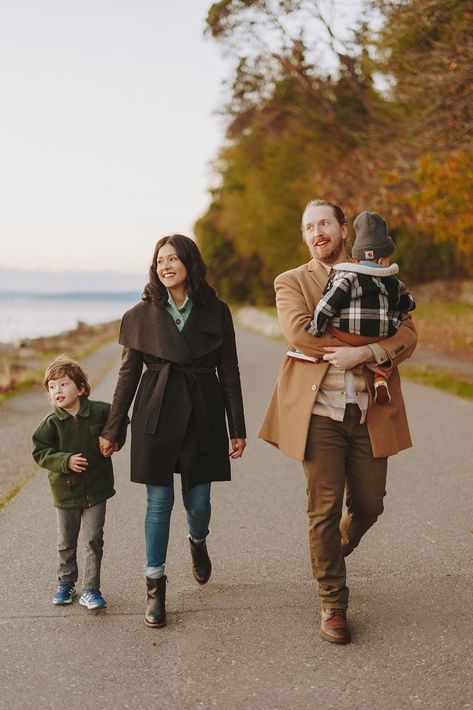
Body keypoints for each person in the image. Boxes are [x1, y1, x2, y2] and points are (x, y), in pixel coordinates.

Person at [259, 199, 417, 645]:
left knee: (370, 505)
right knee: (322, 510)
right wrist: (373, 341)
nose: (317, 232)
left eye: (324, 223)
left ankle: (334, 549)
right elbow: (300, 334)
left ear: (344, 229)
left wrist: (364, 354)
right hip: (319, 415)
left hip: (372, 411)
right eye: (308, 227)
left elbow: (409, 333)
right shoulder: (291, 281)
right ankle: (333, 602)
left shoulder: (383, 275)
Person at [99, 234, 246, 629]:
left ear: (189, 263)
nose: (166, 266)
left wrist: (238, 426)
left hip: (203, 411)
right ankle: (155, 588)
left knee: (198, 501)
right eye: (160, 260)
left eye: (174, 259)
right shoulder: (139, 315)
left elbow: (229, 371)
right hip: (156, 411)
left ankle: (198, 542)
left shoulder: (217, 311)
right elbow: (128, 376)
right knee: (158, 502)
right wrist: (114, 429)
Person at [32, 356, 127, 610]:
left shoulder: (100, 411)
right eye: (52, 387)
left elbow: (120, 421)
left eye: (63, 384)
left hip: (97, 489)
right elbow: (40, 452)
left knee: (93, 539)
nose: (57, 391)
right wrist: (65, 461)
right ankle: (65, 583)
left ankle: (91, 589)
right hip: (65, 493)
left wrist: (116, 441)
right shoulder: (51, 423)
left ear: (81, 388)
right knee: (66, 541)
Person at [306, 210, 416, 405]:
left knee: (331, 320)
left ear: (356, 259)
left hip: (347, 333)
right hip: (380, 335)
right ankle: (380, 378)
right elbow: (407, 303)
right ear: (383, 260)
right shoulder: (392, 282)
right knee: (386, 345)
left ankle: (378, 376)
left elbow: (328, 304)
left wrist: (316, 326)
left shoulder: (346, 277)